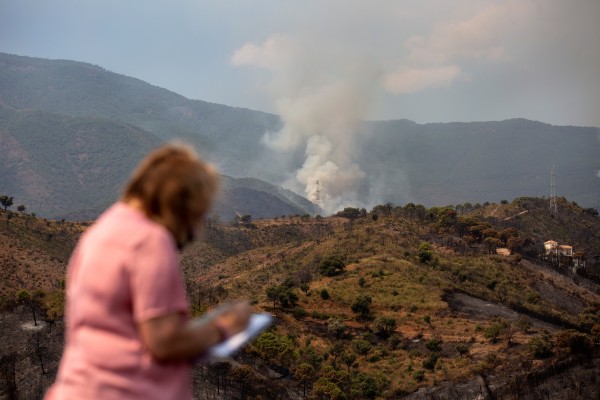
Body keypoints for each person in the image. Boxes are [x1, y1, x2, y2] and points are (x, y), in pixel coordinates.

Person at [45, 143, 251, 400]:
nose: (196, 230)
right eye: (196, 215)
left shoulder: (101, 230)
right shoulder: (149, 240)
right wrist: (223, 328)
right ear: (178, 205)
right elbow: (164, 342)